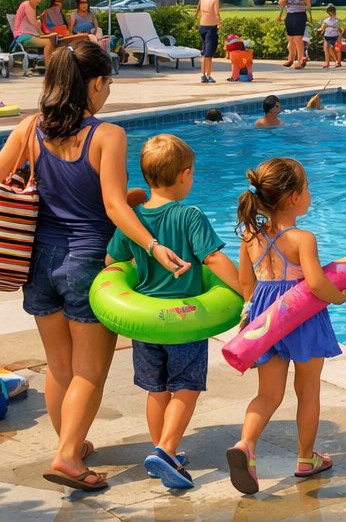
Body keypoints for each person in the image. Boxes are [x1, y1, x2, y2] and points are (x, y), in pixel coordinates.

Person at [0, 42, 188, 493]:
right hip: (88, 264)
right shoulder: (106, 135)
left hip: (38, 262)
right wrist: (152, 245)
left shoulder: (29, 129)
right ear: (95, 83)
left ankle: (71, 441)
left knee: (58, 366)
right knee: (89, 371)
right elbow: (112, 208)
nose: (108, 91)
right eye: (108, 82)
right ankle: (69, 457)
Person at [104, 135, 238, 490]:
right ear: (186, 175)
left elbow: (110, 263)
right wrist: (245, 289)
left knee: (156, 389)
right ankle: (166, 449)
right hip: (184, 322)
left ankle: (163, 453)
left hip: (145, 324)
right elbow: (213, 258)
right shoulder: (190, 215)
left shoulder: (131, 219)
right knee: (186, 386)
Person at [227, 157, 346, 495]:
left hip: (266, 317)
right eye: (307, 187)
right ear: (294, 197)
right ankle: (306, 458)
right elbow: (314, 283)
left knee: (268, 394)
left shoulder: (250, 236)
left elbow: (246, 282)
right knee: (307, 389)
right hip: (301, 315)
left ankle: (246, 445)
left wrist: (251, 315)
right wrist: (338, 296)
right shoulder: (301, 238)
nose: (310, 193)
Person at [12, 0, 59, 66]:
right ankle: (48, 66)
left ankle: (44, 62)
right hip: (23, 36)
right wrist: (42, 34)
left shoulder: (31, 7)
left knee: (52, 39)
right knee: (49, 42)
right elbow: (33, 22)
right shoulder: (27, 4)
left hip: (30, 35)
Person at [277, 0, 310, 69]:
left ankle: (301, 59)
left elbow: (308, 5)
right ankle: (290, 59)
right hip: (290, 15)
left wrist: (299, 4)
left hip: (299, 16)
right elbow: (281, 2)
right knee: (290, 39)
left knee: (298, 39)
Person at [195, 0, 221, 85]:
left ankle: (203, 74)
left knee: (205, 51)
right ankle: (208, 75)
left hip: (202, 27)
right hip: (211, 28)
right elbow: (216, 14)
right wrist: (219, 24)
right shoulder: (214, 1)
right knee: (209, 54)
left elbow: (197, 11)